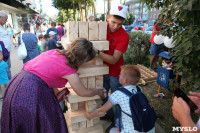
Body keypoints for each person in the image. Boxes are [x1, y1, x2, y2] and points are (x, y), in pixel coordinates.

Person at [1, 38, 105, 133]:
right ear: (83, 60)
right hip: (31, 92)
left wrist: (57, 93)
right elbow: (83, 92)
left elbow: (46, 74)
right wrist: (98, 92)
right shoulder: (69, 70)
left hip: (17, 83)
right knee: (42, 124)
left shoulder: (55, 52)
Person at [85, 65, 155, 133]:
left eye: (120, 75)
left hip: (132, 130)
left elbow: (102, 110)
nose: (119, 76)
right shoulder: (139, 89)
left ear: (125, 80)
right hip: (148, 128)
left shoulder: (118, 94)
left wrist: (90, 116)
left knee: (111, 131)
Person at [93, 3, 129, 131]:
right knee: (102, 95)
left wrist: (97, 52)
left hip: (115, 73)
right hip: (100, 70)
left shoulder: (124, 36)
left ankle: (118, 123)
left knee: (118, 99)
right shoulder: (100, 28)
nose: (116, 26)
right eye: (113, 22)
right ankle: (110, 116)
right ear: (107, 17)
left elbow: (114, 60)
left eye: (120, 24)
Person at [0, 11, 13, 80]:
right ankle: (9, 85)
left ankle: (9, 83)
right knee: (6, 67)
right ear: (0, 18)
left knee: (8, 66)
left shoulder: (1, 26)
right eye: (5, 19)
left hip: (6, 50)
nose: (6, 21)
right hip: (3, 52)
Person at [0, 41, 9, 120]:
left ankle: (9, 92)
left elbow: (1, 56)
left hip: (1, 65)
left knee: (5, 80)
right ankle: (1, 95)